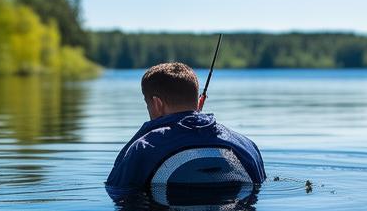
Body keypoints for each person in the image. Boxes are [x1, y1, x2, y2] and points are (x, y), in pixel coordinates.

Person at [105, 61, 266, 196]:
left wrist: (144, 133)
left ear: (157, 104)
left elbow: (117, 190)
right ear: (199, 102)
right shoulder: (247, 146)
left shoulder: (143, 148)